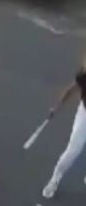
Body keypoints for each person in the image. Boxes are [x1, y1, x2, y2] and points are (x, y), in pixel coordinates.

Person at [41, 51, 86, 199]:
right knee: (73, 150)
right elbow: (71, 91)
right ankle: (55, 178)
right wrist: (56, 108)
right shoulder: (83, 76)